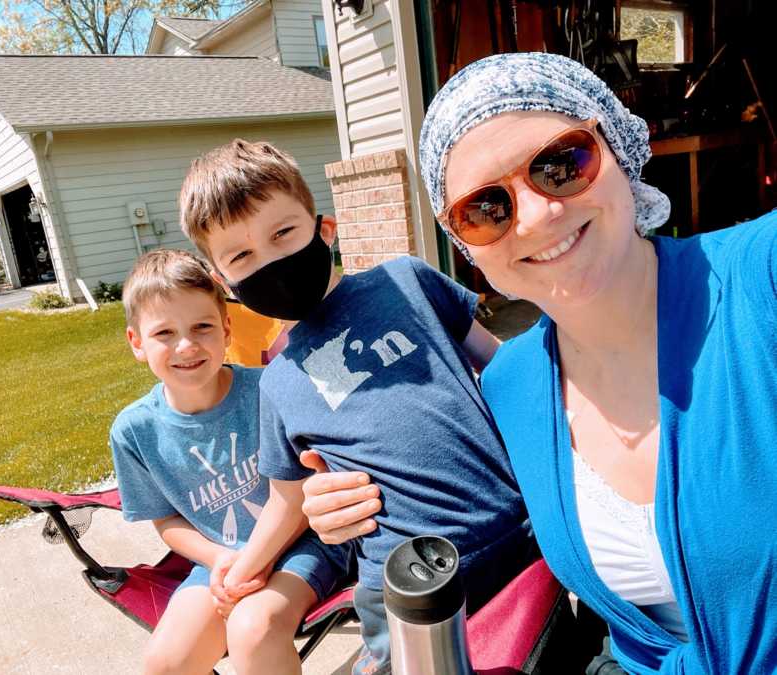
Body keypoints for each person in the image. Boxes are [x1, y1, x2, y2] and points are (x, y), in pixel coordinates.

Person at [300, 52, 777, 674]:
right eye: (486, 208)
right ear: (467, 247)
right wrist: (346, 507)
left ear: (619, 149)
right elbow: (458, 496)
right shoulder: (512, 385)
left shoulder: (760, 281)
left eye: (561, 164)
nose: (537, 214)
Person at [178, 139, 537, 675]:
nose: (271, 261)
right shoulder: (276, 382)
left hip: (524, 533)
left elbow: (504, 367)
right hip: (406, 582)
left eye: (282, 234)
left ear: (324, 229)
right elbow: (288, 499)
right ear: (224, 281)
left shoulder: (408, 280)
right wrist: (243, 571)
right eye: (241, 256)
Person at [108, 249, 350, 675]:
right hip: (222, 560)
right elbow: (166, 521)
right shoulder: (134, 432)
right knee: (163, 665)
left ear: (226, 327)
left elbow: (304, 489)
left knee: (252, 630)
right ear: (137, 343)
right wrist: (219, 559)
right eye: (164, 332)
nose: (186, 345)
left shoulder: (270, 389)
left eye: (202, 326)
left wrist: (247, 567)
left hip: (306, 542)